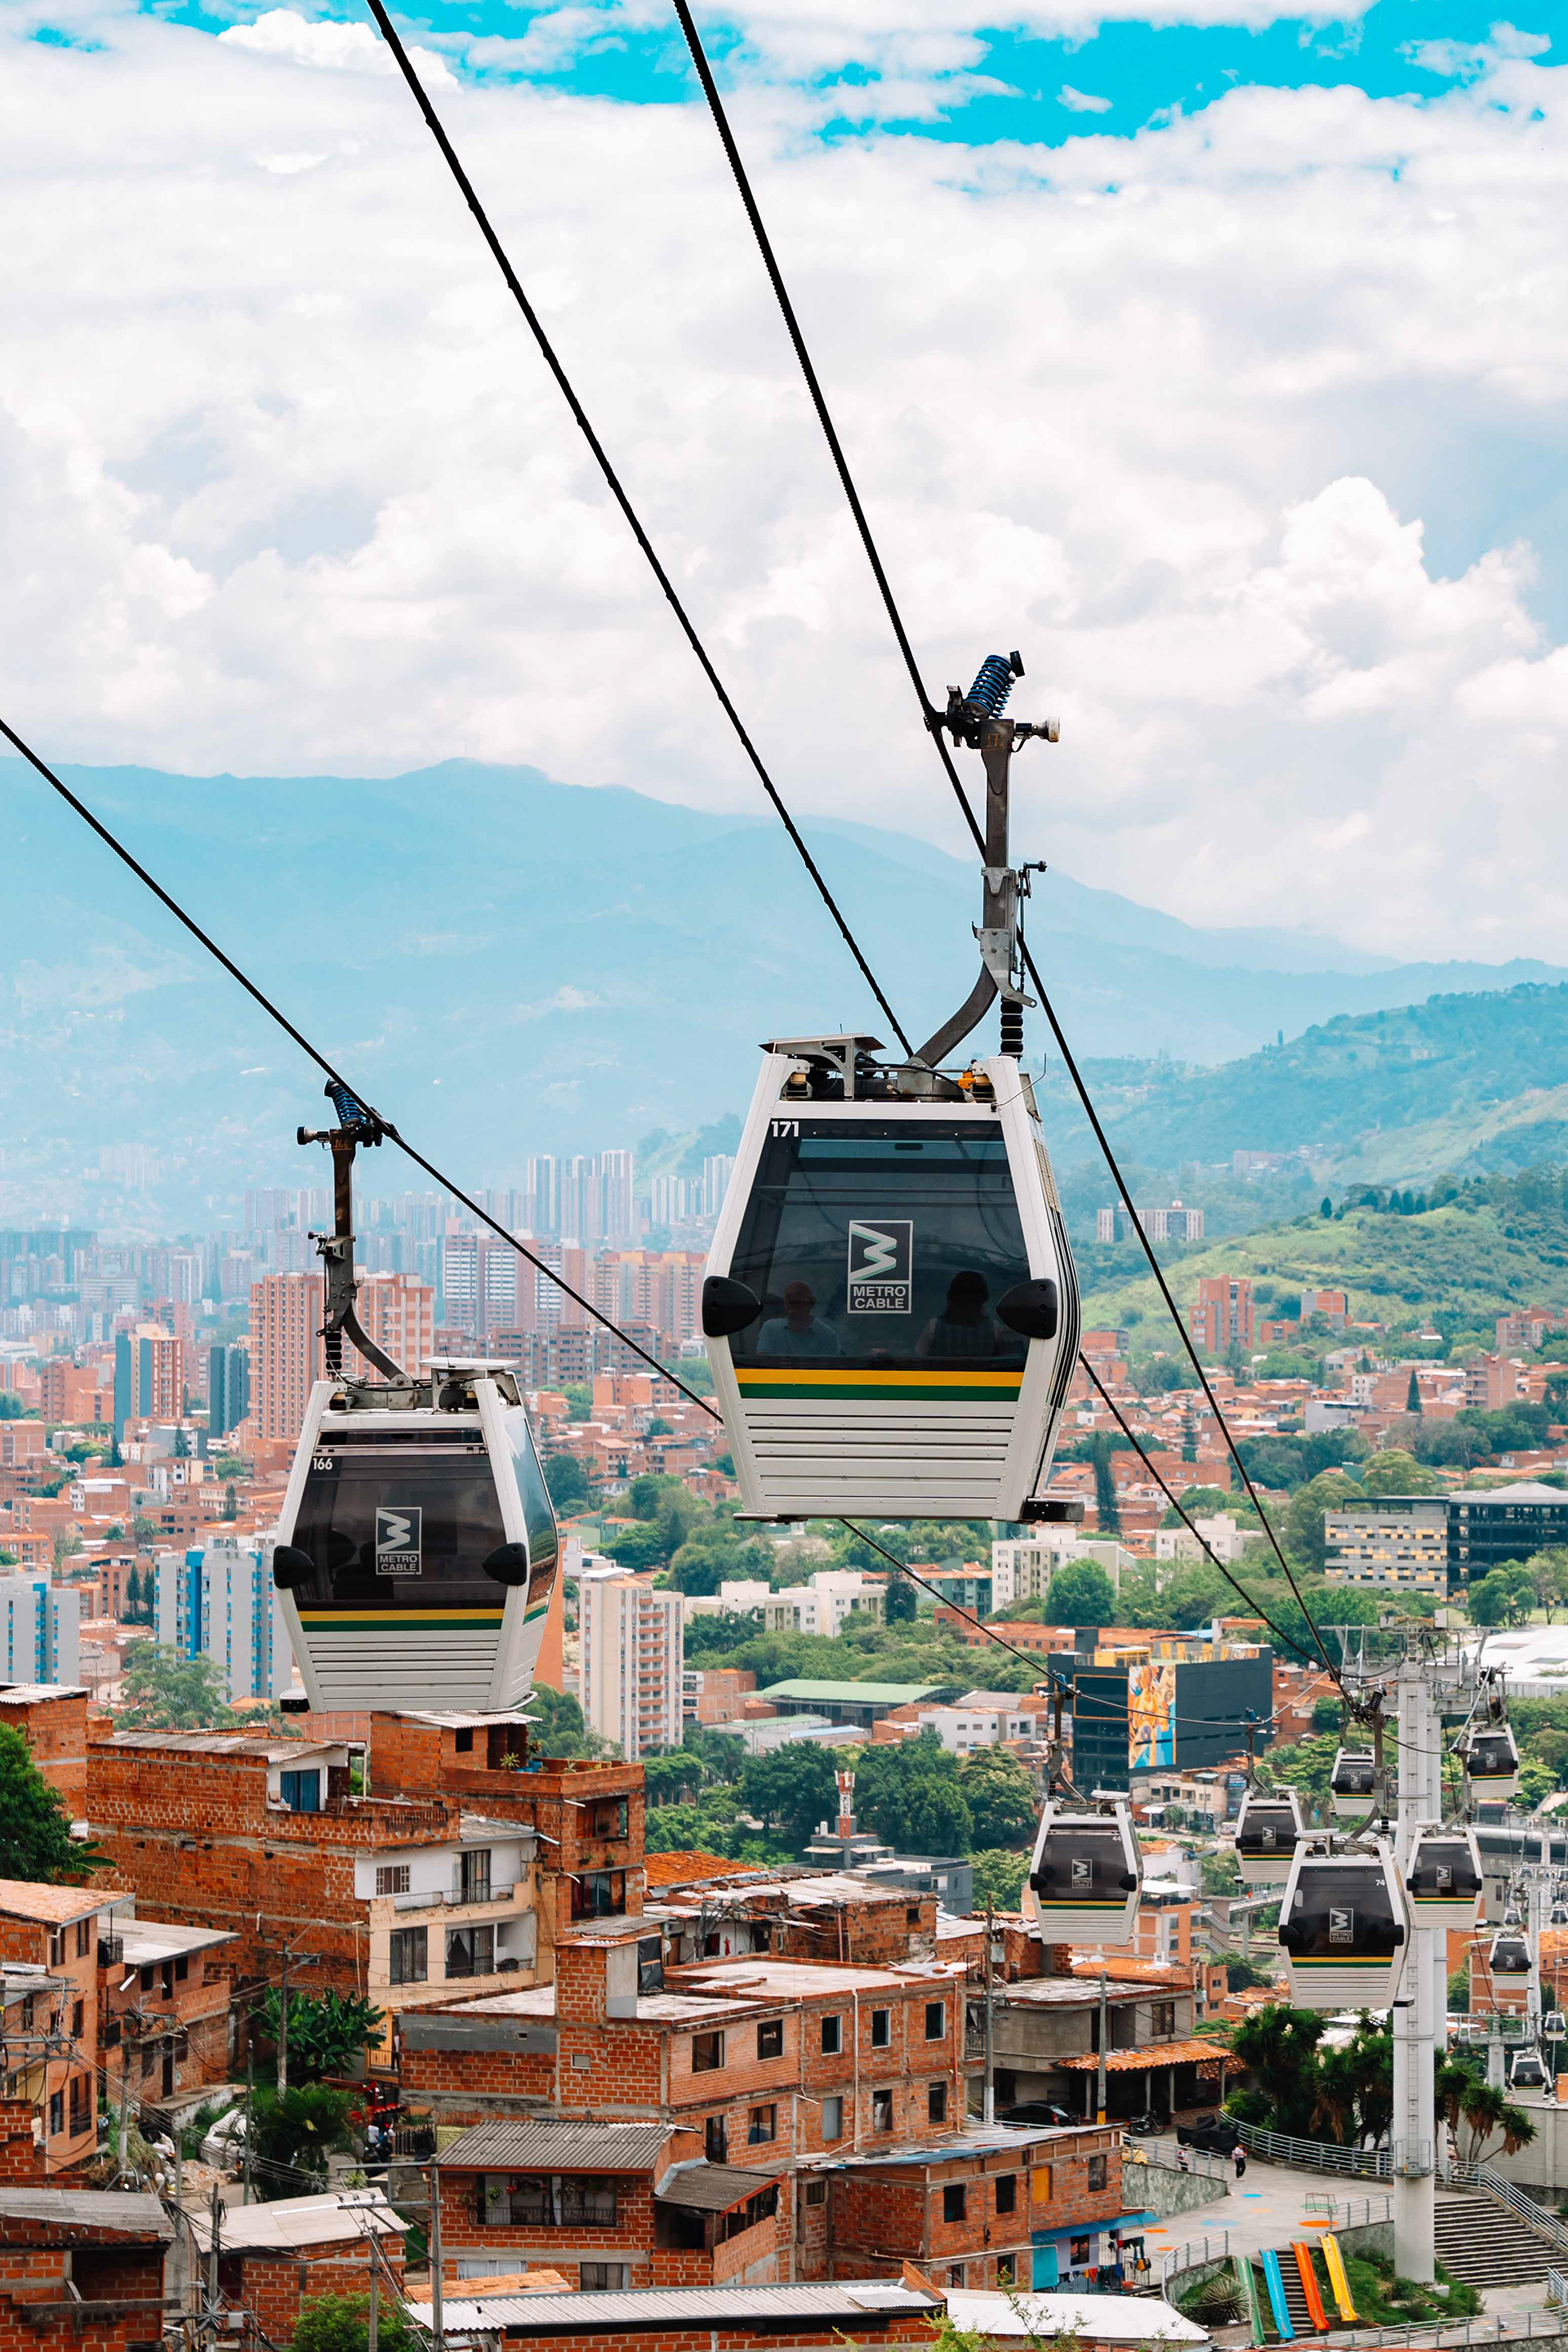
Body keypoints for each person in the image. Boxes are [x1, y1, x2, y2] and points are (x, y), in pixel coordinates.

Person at [915, 1269, 998, 1358]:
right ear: (983, 1298)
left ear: (951, 1297)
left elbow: (919, 1357)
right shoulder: (994, 1328)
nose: (967, 1301)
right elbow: (1006, 1357)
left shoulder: (934, 1326)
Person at [756, 1280, 840, 1359]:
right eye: (789, 1298)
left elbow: (829, 1370)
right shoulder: (771, 1328)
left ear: (811, 1303)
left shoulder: (827, 1336)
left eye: (799, 1298)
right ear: (784, 1302)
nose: (793, 1302)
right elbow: (762, 1363)